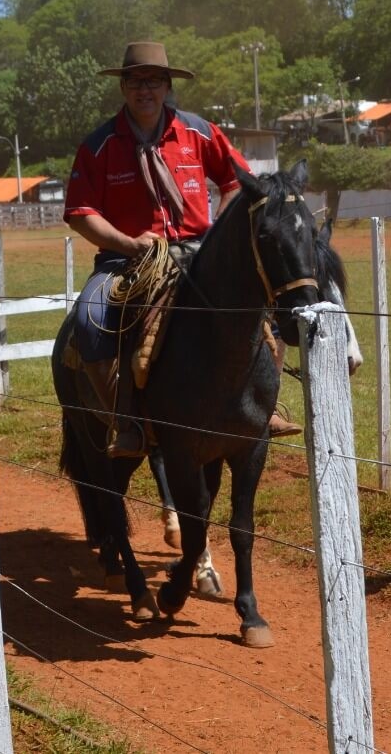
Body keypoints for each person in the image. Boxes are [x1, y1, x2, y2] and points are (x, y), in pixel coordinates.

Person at [63, 41, 298, 458]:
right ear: (123, 88)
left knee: (266, 312)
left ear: (168, 85)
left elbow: (237, 184)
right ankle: (126, 419)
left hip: (197, 252)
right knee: (89, 317)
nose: (145, 90)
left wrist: (215, 237)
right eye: (135, 81)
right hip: (127, 259)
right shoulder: (99, 145)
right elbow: (81, 213)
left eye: (153, 81)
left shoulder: (199, 132)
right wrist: (128, 242)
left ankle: (264, 406)